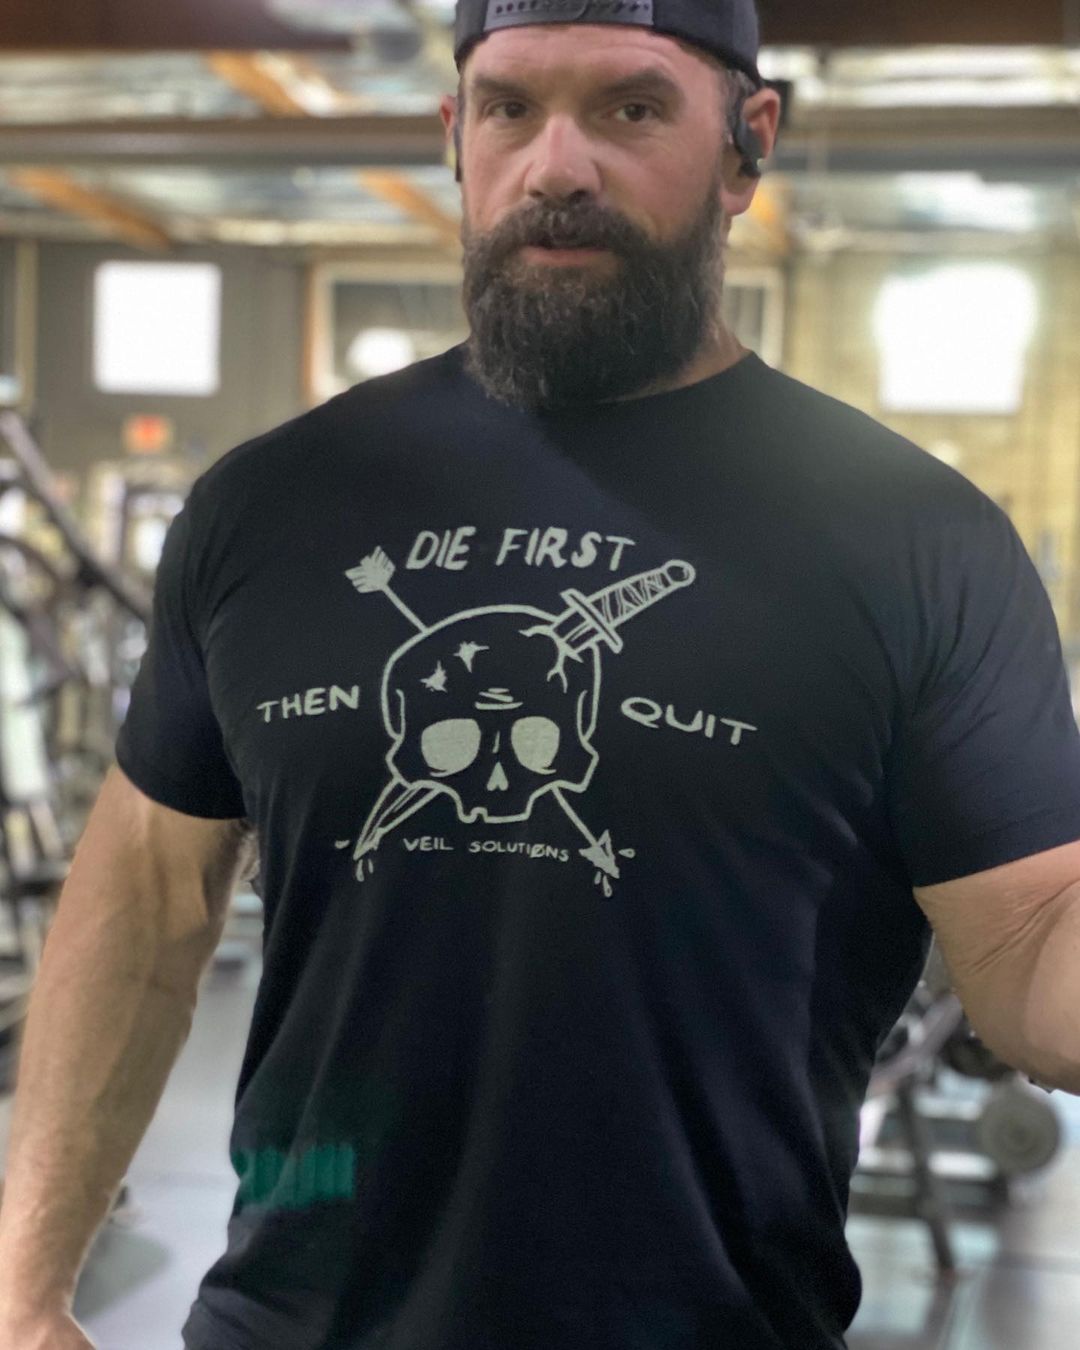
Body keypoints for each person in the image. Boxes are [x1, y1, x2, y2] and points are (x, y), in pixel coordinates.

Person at [2, 0, 1080, 1345]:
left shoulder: (915, 539)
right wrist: (23, 1290)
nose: (556, 166)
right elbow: (148, 893)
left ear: (747, 145)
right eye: (510, 108)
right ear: (455, 136)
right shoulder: (268, 504)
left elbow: (1033, 951)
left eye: (631, 107)